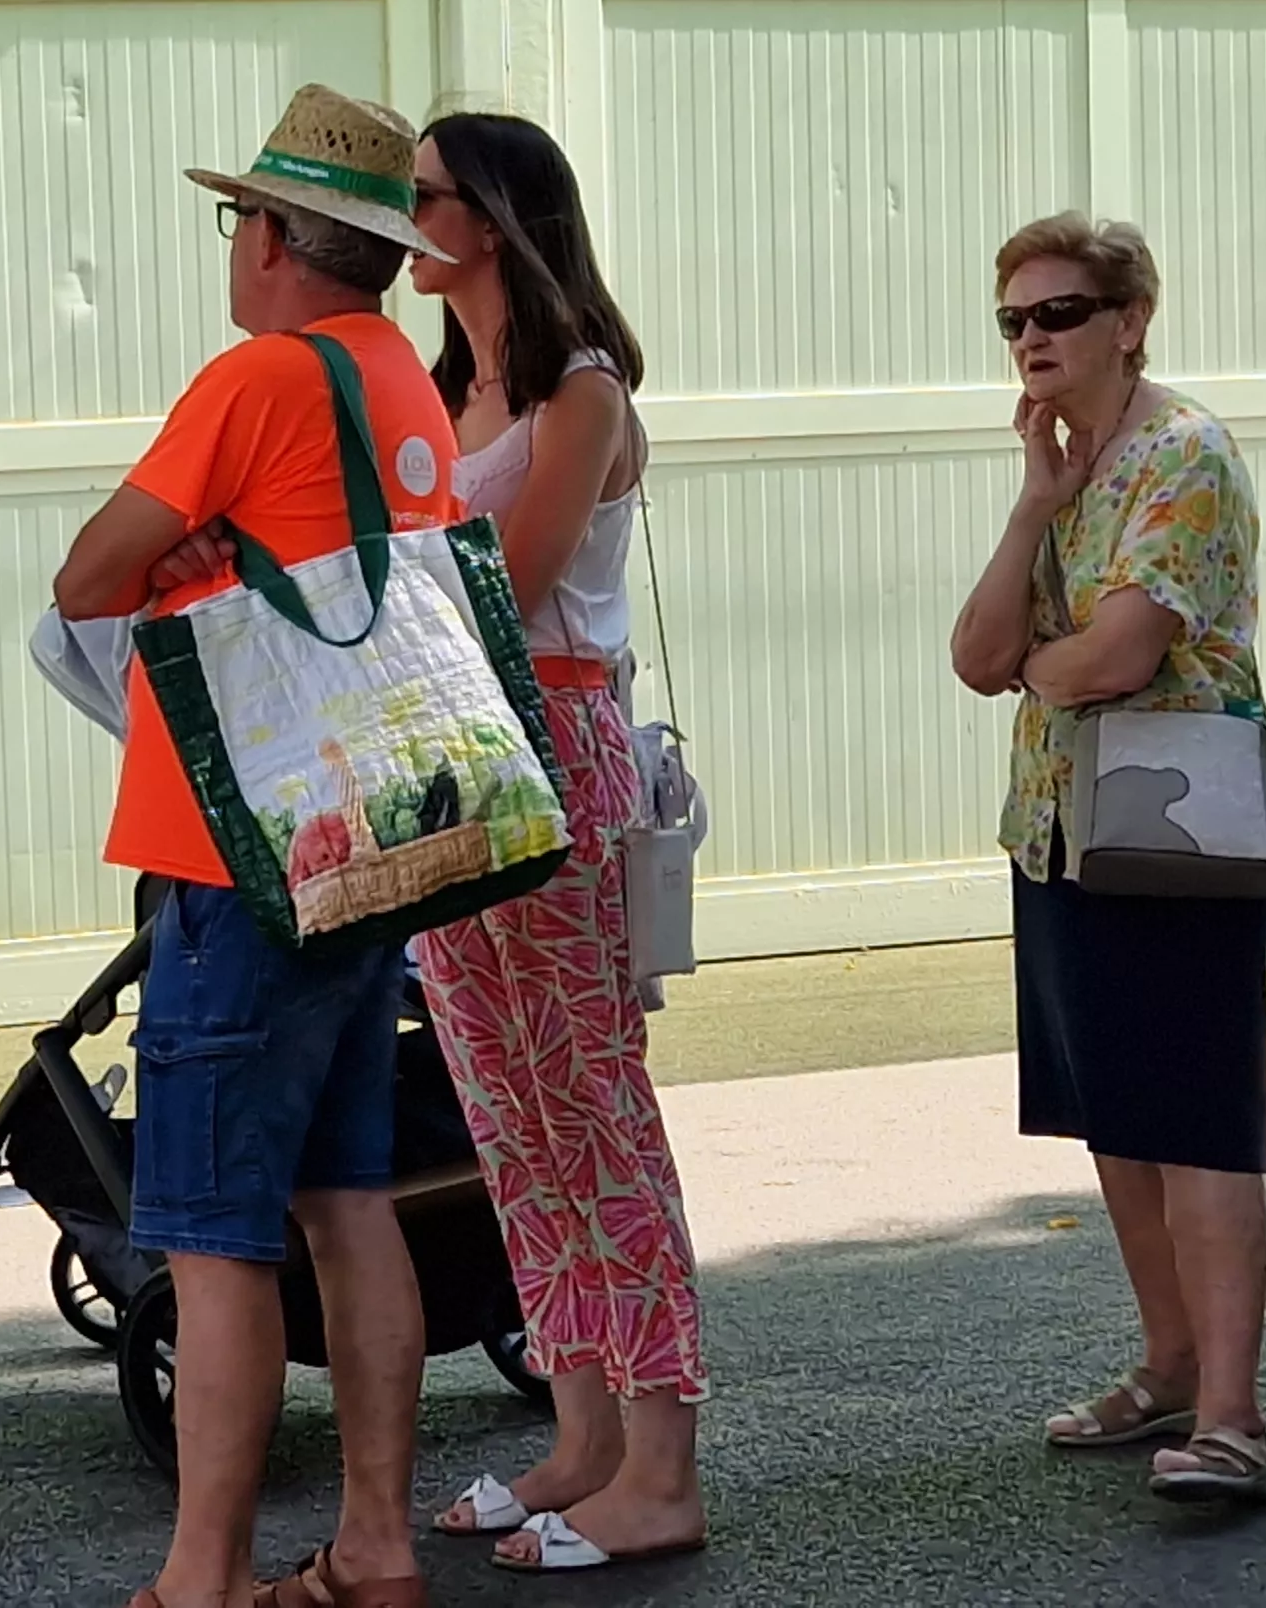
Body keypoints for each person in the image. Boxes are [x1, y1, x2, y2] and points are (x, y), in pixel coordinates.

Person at [51, 84, 456, 1608]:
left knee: (215, 1237)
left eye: (241, 222)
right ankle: (375, 1545)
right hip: (363, 849)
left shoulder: (258, 379)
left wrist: (183, 552)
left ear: (279, 237)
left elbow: (91, 575)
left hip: (238, 859)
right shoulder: (395, 380)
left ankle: (198, 1579)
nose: (237, 247)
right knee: (350, 1206)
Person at [397, 112, 712, 1571]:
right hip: (459, 762)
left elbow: (503, 597)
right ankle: (586, 1434)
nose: (406, 220)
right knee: (509, 1115)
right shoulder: (446, 388)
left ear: (499, 216)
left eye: (429, 197)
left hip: (553, 755)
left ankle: (660, 1466)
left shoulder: (582, 392)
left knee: (590, 1103)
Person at [949, 213, 1266, 1507]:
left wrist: (1049, 666)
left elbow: (1113, 657)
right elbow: (979, 655)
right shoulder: (1070, 471)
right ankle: (1168, 1368)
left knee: (1200, 1124)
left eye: (1060, 314)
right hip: (1065, 833)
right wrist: (1035, 503)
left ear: (1130, 320)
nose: (1033, 339)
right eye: (1015, 321)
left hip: (1180, 837)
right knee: (1122, 1124)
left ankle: (1237, 1416)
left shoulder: (1182, 454)